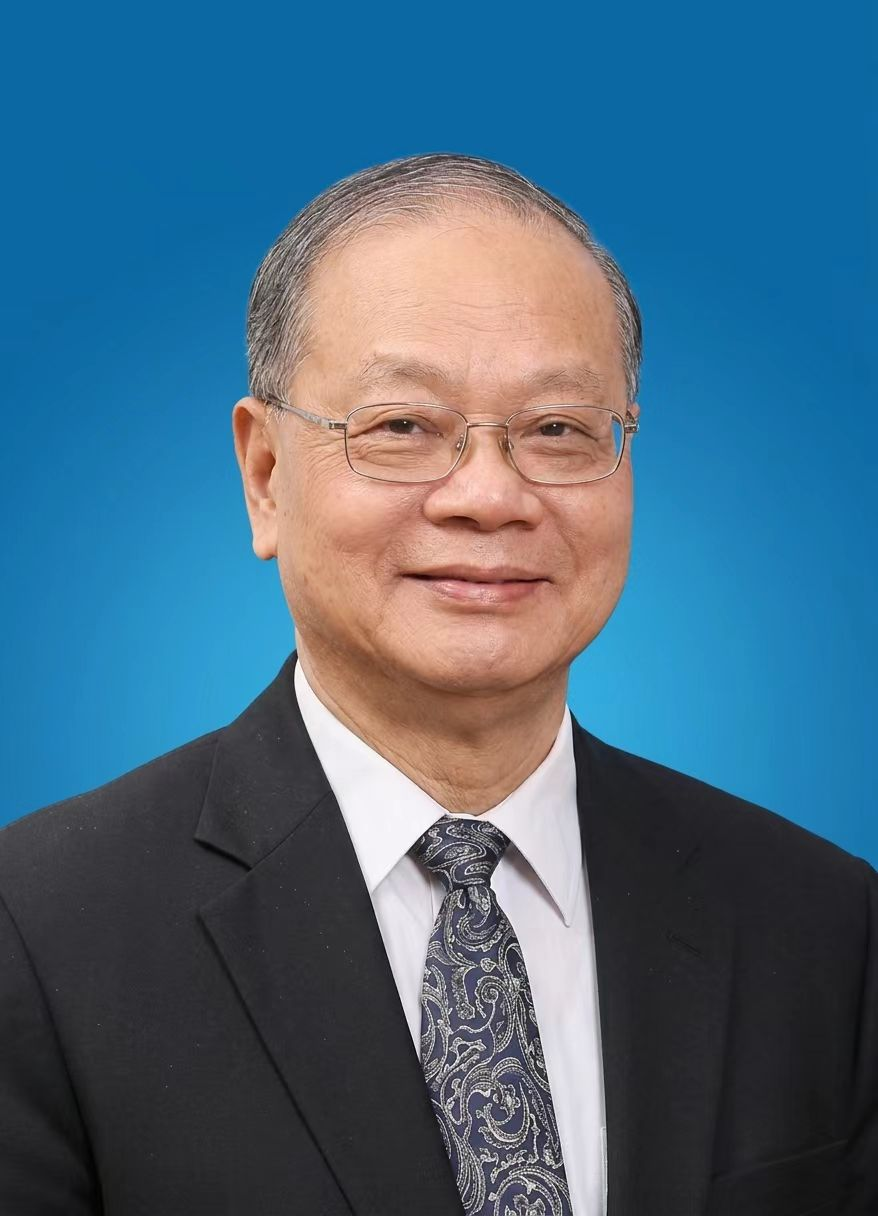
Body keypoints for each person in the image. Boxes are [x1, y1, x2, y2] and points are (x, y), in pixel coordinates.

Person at [0, 153, 874, 1216]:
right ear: (265, 475)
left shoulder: (821, 923)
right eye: (403, 427)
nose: (489, 495)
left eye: (557, 429)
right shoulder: (36, 929)